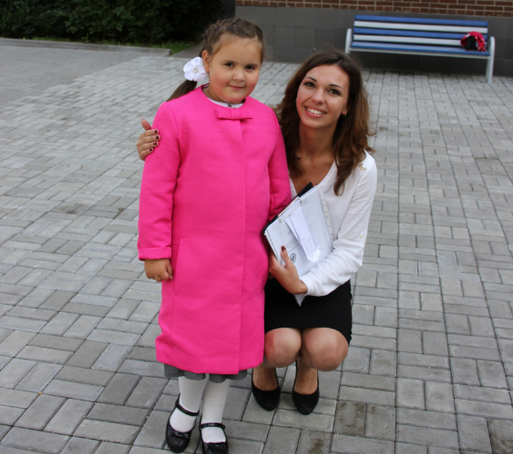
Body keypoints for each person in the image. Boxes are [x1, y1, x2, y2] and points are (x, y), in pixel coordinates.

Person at [138, 48, 377, 418]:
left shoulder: (360, 168)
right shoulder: (266, 130)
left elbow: (350, 251)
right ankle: (264, 367)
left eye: (333, 91)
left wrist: (305, 284)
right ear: (296, 90)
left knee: (325, 350)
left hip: (320, 273)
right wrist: (155, 146)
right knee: (278, 347)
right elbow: (204, 148)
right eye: (310, 85)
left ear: (347, 105)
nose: (317, 98)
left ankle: (308, 368)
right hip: (265, 270)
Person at [138, 17, 291, 454]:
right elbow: (157, 189)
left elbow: (278, 187)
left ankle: (214, 417)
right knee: (193, 338)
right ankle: (187, 407)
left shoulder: (265, 118)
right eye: (229, 64)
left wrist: (282, 245)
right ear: (206, 61)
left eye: (250, 67)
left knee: (232, 343)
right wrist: (154, 251)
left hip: (246, 260)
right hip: (192, 259)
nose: (239, 76)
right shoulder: (177, 115)